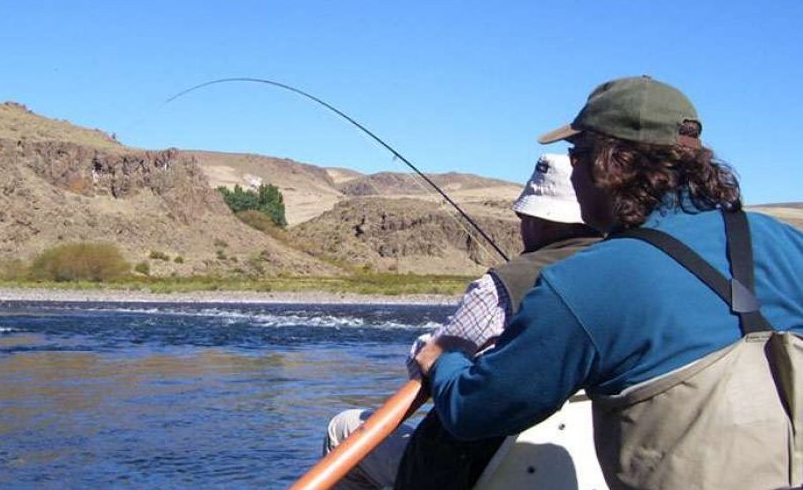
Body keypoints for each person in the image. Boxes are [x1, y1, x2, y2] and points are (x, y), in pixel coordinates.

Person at [415, 75, 803, 490]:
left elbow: (475, 411)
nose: (574, 172)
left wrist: (445, 361)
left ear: (611, 164)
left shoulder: (582, 283)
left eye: (577, 156)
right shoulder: (788, 242)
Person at [324, 153, 602, 490]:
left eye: (524, 217)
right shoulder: (624, 274)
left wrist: (426, 348)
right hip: (583, 466)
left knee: (343, 428)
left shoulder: (500, 287)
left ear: (537, 220)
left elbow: (428, 361)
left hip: (476, 470)